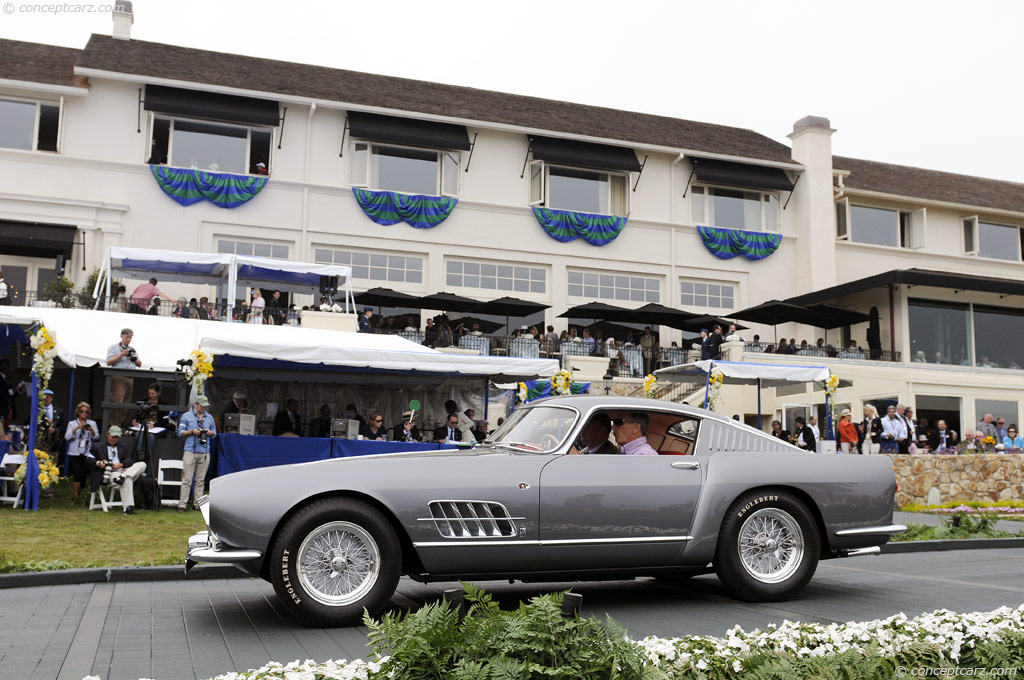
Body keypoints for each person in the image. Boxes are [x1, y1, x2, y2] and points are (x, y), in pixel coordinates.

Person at [87, 426, 147, 515]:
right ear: (108, 435)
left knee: (142, 464)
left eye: (116, 437)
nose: (114, 439)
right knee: (128, 480)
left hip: (123, 470)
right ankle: (128, 508)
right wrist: (99, 463)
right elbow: (89, 460)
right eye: (113, 437)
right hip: (108, 473)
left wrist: (121, 464)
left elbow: (129, 460)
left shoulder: (124, 446)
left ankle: (124, 476)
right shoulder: (97, 446)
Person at [177, 395, 216, 512]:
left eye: (205, 406)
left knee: (200, 480)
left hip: (204, 451)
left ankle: (197, 504)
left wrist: (210, 433)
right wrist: (192, 432)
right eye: (202, 405)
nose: (204, 408)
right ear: (196, 404)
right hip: (190, 450)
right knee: (187, 479)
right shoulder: (186, 416)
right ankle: (182, 504)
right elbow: (180, 433)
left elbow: (215, 433)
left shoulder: (209, 418)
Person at [106, 328, 141, 429]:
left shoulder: (132, 349)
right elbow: (109, 362)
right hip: (119, 377)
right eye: (127, 337)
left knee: (126, 405)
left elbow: (139, 364)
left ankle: (119, 425)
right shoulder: (113, 348)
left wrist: (134, 359)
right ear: (122, 336)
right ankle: (113, 426)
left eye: (130, 337)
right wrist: (121, 355)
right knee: (117, 402)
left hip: (130, 378)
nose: (129, 339)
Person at [64, 401, 99, 502]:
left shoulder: (92, 423)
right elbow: (67, 437)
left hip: (87, 452)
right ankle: (75, 496)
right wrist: (76, 428)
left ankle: (82, 494)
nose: (84, 413)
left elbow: (96, 437)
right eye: (82, 411)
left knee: (84, 474)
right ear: (78, 412)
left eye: (86, 412)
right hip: (74, 452)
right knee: (77, 473)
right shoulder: (72, 423)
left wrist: (92, 430)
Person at [38, 388, 65, 456]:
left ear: (52, 398)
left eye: (48, 397)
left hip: (54, 442)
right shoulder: (38, 411)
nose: (46, 399)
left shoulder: (59, 411)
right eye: (44, 397)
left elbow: (63, 426)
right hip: (41, 441)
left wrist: (55, 430)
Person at [0, 358, 14, 428]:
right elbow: (4, 392)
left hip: (7, 409)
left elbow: (11, 394)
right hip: (1, 408)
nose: (8, 368)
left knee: (5, 427)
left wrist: (20, 391)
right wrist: (15, 389)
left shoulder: (6, 379)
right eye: (7, 365)